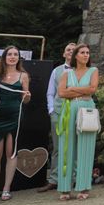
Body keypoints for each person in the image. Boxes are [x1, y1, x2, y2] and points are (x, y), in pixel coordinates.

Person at [0, 46, 31, 203]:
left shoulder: (23, 75)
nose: (12, 57)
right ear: (4, 57)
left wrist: (27, 96)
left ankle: (6, 189)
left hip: (14, 117)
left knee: (11, 153)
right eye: (10, 54)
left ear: (18, 58)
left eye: (15, 55)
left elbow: (26, 100)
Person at [56, 43, 99, 200]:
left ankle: (83, 187)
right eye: (82, 52)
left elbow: (92, 89)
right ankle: (65, 188)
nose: (86, 55)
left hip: (87, 110)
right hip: (69, 111)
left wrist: (72, 90)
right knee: (66, 147)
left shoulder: (93, 71)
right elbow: (61, 92)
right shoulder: (66, 74)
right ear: (75, 56)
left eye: (87, 52)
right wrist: (82, 90)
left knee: (86, 148)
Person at [38, 42, 75, 192]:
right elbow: (50, 93)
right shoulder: (57, 71)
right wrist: (51, 111)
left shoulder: (83, 71)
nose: (71, 52)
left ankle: (72, 179)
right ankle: (54, 179)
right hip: (58, 114)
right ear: (64, 54)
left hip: (76, 113)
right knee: (58, 147)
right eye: (68, 50)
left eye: (74, 50)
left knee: (74, 146)